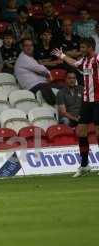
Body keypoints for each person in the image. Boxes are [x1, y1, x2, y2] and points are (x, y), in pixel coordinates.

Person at [52, 38, 99, 177]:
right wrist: (62, 56)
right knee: (81, 132)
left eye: (83, 47)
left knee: (98, 133)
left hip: (98, 101)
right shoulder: (84, 61)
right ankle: (84, 165)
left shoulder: (97, 59)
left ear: (90, 47)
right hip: (86, 101)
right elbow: (74, 63)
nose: (81, 50)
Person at [14, 38, 62, 105]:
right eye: (26, 45)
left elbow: (42, 70)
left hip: (40, 84)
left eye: (31, 45)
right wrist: (48, 74)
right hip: (32, 87)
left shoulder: (30, 58)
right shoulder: (23, 58)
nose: (29, 47)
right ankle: (57, 107)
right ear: (22, 47)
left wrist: (47, 75)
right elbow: (41, 69)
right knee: (47, 88)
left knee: (62, 87)